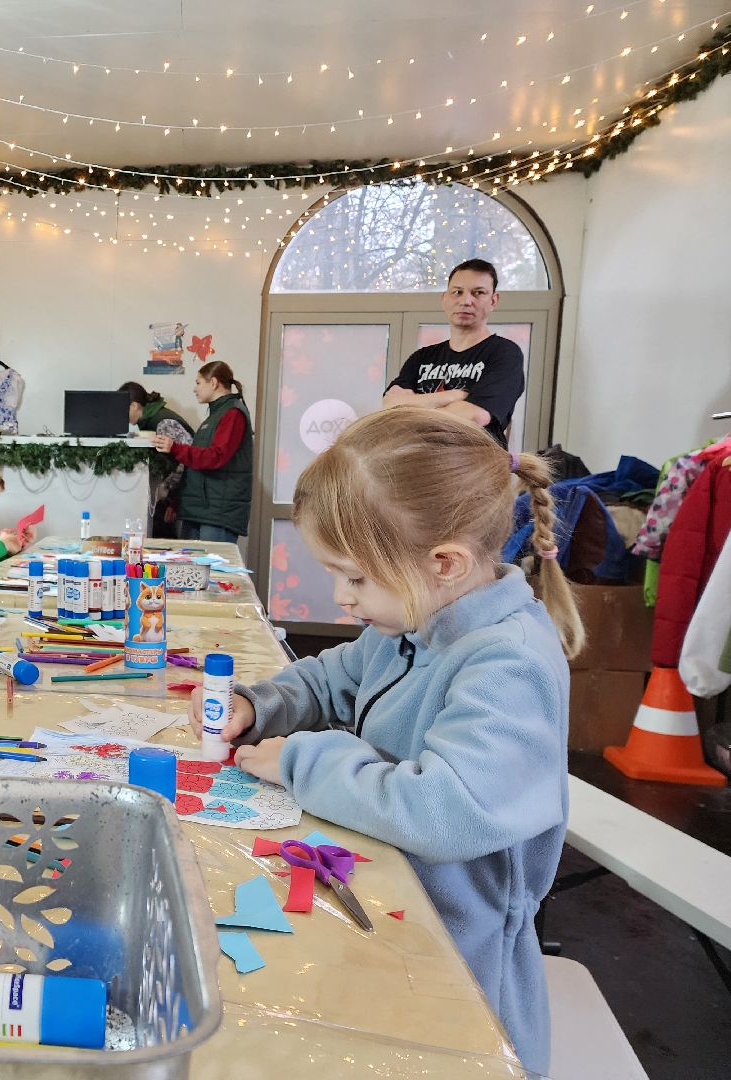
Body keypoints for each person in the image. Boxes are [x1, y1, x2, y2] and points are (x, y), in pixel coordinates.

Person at [189, 408, 585, 1076]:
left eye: (355, 577)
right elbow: (331, 678)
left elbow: (443, 809)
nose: (342, 597)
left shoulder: (506, 664)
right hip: (388, 913)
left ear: (445, 563)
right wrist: (257, 705)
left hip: (461, 974)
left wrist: (302, 759)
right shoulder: (419, 616)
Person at [382, 258, 525, 449]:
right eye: (457, 292)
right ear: (445, 298)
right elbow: (390, 406)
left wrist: (411, 409)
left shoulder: (504, 354)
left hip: (476, 469)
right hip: (420, 465)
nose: (466, 301)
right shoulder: (422, 357)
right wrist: (453, 396)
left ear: (493, 300)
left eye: (478, 293)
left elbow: (475, 416)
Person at [152, 361, 253, 542]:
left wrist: (174, 448)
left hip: (217, 514)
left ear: (213, 383)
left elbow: (216, 457)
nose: (194, 389)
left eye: (198, 382)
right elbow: (195, 468)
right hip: (199, 511)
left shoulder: (232, 414)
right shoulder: (214, 416)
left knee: (215, 570)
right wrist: (176, 503)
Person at [120, 381, 193, 538]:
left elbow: (186, 461)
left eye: (121, 408)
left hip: (173, 499)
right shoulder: (151, 421)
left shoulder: (164, 423)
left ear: (134, 405)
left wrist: (174, 501)